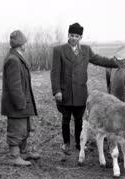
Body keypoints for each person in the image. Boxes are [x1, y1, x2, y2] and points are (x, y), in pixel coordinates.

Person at [50, 22, 120, 155]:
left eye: (77, 36)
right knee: (65, 119)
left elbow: (99, 60)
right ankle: (66, 143)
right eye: (72, 35)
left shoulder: (86, 50)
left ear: (80, 37)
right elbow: (54, 73)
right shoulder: (59, 50)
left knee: (79, 121)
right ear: (68, 35)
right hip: (64, 93)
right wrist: (57, 91)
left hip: (80, 93)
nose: (74, 38)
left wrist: (117, 63)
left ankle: (78, 143)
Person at [1, 30, 40, 166]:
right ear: (20, 44)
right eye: (24, 42)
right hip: (17, 104)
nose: (26, 45)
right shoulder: (13, 60)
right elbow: (14, 86)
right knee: (16, 130)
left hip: (22, 103)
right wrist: (20, 104)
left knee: (24, 129)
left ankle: (22, 153)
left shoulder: (17, 57)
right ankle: (14, 156)